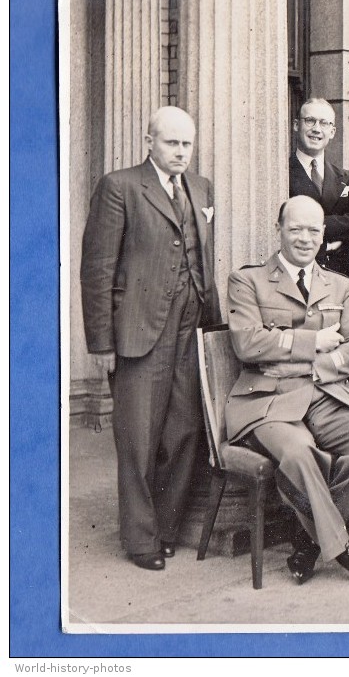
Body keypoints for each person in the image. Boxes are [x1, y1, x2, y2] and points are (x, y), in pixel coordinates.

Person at [224, 196, 349, 586]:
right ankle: (343, 549)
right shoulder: (246, 280)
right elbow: (248, 345)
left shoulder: (339, 284)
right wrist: (314, 340)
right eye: (296, 228)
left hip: (325, 392)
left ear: (324, 234)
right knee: (301, 452)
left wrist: (302, 359)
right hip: (267, 400)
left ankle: (309, 540)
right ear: (279, 229)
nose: (305, 238)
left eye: (314, 230)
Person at [80, 106, 222, 571]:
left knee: (184, 430)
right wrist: (101, 343)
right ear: (150, 141)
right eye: (171, 143)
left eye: (187, 144)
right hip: (139, 331)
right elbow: (97, 269)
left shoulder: (201, 188)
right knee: (138, 437)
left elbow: (204, 260)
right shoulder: (120, 187)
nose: (181, 152)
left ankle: (165, 527)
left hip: (191, 325)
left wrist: (214, 329)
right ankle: (140, 539)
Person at [288, 98, 349, 278]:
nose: (316, 129)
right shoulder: (280, 173)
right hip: (296, 272)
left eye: (324, 123)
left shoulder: (346, 178)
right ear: (297, 125)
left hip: (341, 272)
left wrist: (309, 225)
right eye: (310, 120)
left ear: (333, 131)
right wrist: (332, 238)